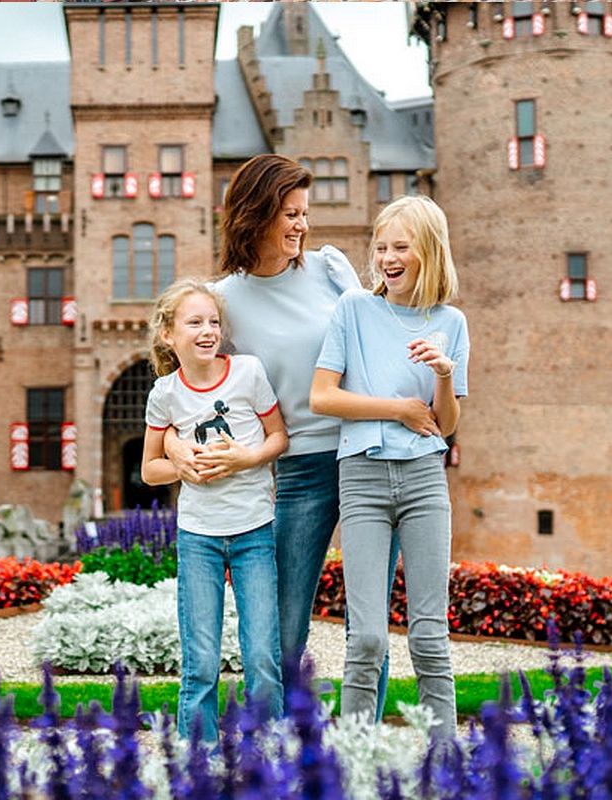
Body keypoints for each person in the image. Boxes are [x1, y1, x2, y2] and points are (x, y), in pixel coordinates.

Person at [165, 154, 417, 717]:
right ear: (254, 216)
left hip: (367, 458)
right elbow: (187, 385)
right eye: (289, 213)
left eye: (305, 212)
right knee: (281, 634)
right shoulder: (221, 299)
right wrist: (177, 447)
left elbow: (377, 344)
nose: (301, 225)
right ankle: (273, 754)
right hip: (298, 468)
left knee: (367, 626)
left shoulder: (330, 268)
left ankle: (358, 748)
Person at [309, 194, 468, 739]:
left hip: (425, 480)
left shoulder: (451, 322)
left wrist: (444, 375)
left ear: (428, 251)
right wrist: (396, 409)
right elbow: (323, 397)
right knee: (368, 637)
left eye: (400, 246)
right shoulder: (353, 309)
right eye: (380, 247)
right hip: (362, 478)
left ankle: (444, 762)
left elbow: (444, 425)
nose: (387, 257)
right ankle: (354, 760)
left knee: (429, 636)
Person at [141, 278, 290, 742]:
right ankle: (197, 762)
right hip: (199, 536)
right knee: (201, 660)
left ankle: (269, 755)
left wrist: (245, 458)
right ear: (169, 334)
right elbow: (150, 470)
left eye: (213, 322)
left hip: (253, 532)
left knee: (262, 655)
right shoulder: (165, 394)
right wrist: (180, 464)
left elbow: (279, 438)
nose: (207, 331)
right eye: (194, 322)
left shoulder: (248, 372)